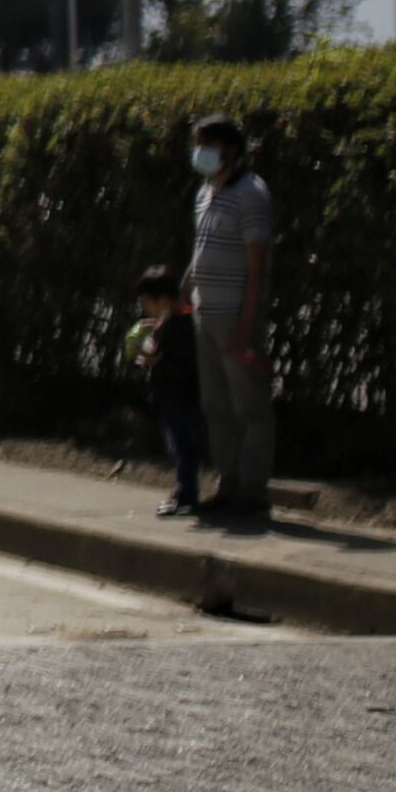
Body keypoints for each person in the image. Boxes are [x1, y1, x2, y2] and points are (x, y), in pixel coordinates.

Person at [185, 111, 278, 528]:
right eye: (198, 145)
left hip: (233, 319)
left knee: (250, 408)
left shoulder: (251, 195)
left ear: (232, 152)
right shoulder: (206, 194)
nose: (201, 154)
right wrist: (184, 296)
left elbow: (257, 267)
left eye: (210, 146)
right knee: (216, 405)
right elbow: (200, 250)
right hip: (206, 316)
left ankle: (253, 492)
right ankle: (228, 485)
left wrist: (244, 329)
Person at [131, 266, 208, 521]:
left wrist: (156, 361)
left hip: (181, 396)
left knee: (183, 446)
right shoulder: (170, 324)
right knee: (178, 445)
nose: (145, 310)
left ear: (163, 300)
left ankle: (187, 494)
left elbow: (183, 366)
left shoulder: (182, 327)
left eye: (147, 303)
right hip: (172, 395)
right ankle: (184, 491)